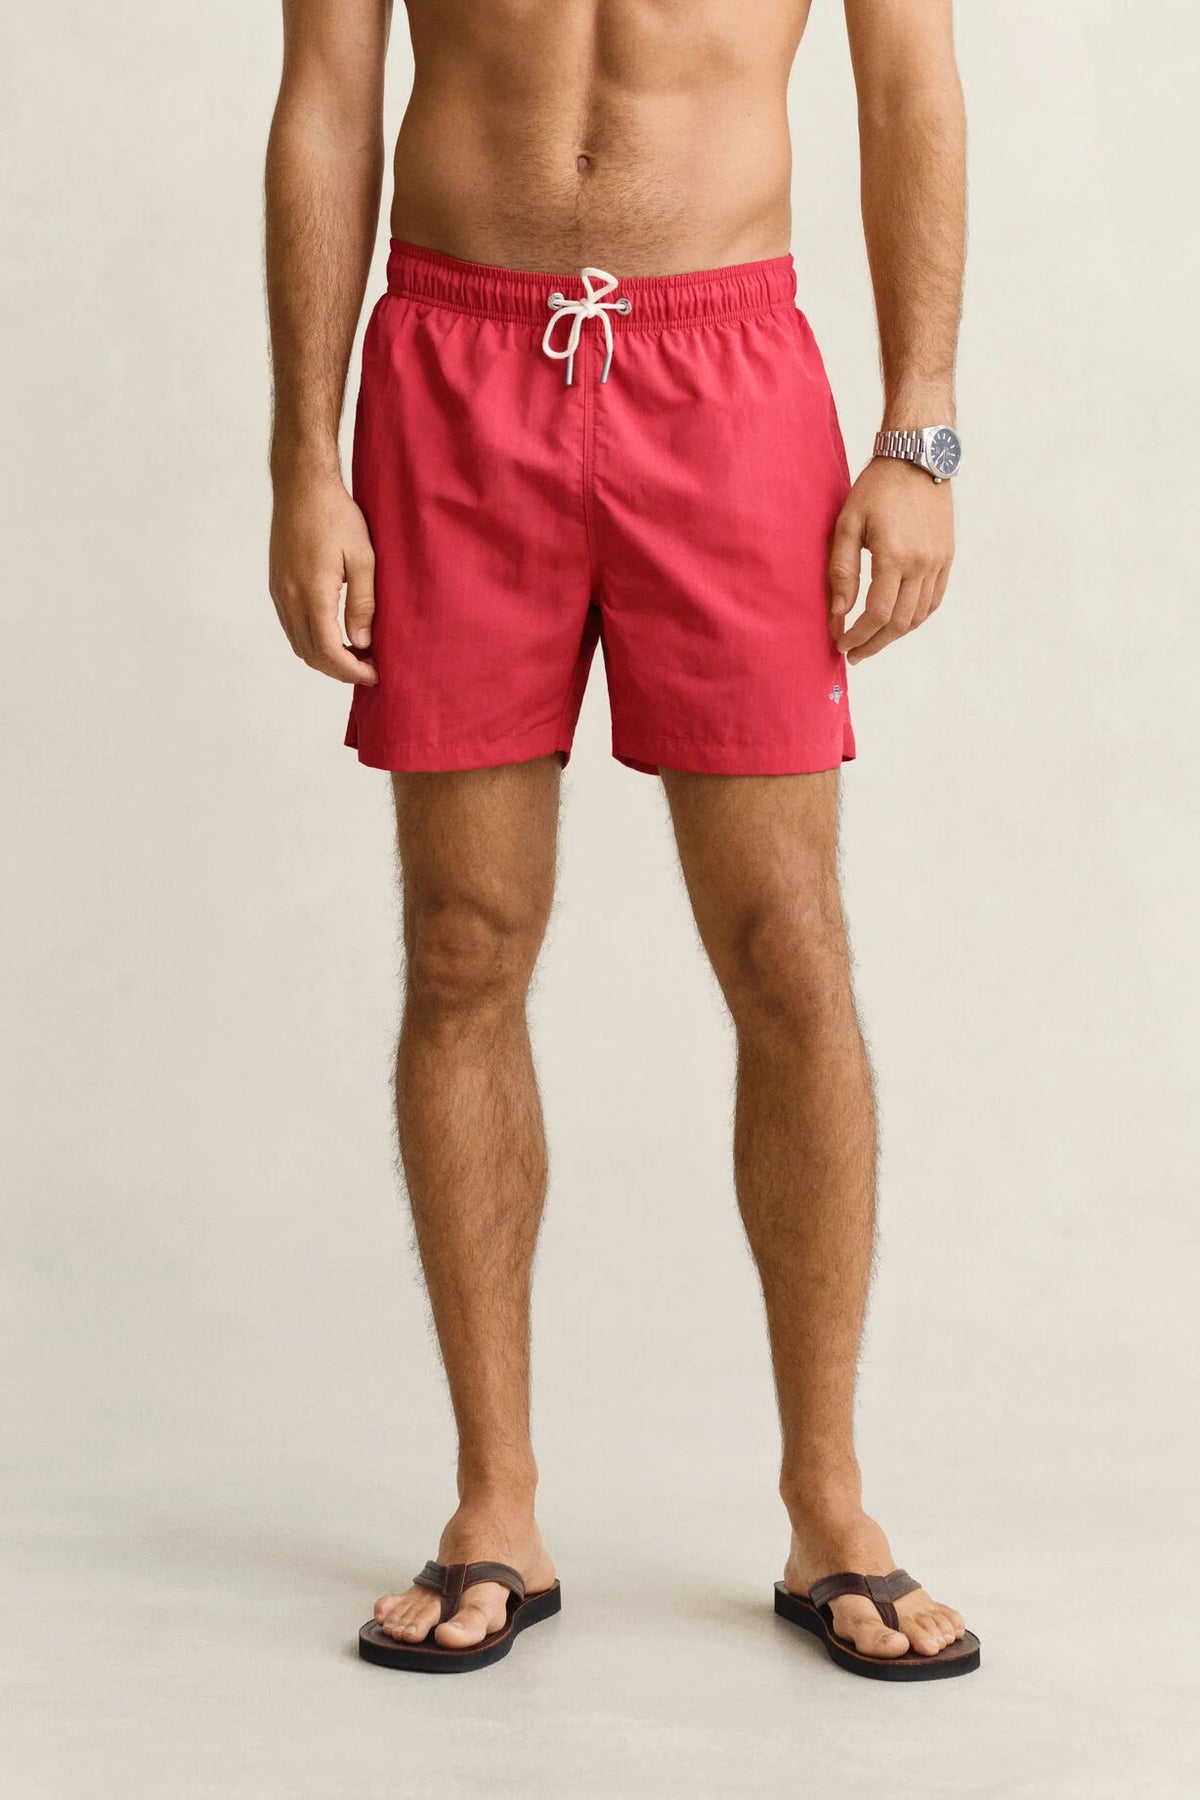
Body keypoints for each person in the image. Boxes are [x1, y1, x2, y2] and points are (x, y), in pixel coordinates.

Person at [265, 0, 978, 1680]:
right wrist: (305, 457)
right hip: (451, 368)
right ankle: (495, 1501)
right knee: (463, 943)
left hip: (726, 372)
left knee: (786, 949)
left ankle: (829, 1506)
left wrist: (920, 430)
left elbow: (909, 85)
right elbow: (326, 101)